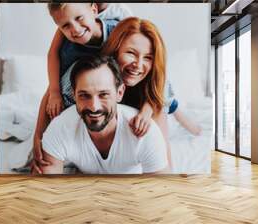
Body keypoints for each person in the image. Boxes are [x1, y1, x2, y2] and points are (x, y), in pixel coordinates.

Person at [34, 55, 167, 174]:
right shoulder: (61, 127)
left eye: (103, 95)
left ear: (119, 93)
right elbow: (46, 188)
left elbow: (160, 192)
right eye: (84, 95)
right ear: (74, 95)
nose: (94, 107)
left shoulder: (146, 134)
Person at [101, 17, 172, 167]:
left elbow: (165, 163)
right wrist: (37, 137)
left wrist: (147, 110)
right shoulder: (96, 73)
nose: (138, 65)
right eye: (131, 53)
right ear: (115, 50)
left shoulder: (154, 86)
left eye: (148, 57)